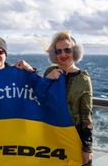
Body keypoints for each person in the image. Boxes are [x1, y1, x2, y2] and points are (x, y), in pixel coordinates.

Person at [43, 31, 93, 165]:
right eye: (58, 51)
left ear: (75, 52)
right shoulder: (49, 71)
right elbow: (39, 98)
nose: (63, 54)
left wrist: (87, 148)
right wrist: (47, 79)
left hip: (73, 134)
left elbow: (86, 116)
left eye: (67, 50)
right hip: (50, 134)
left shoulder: (83, 79)